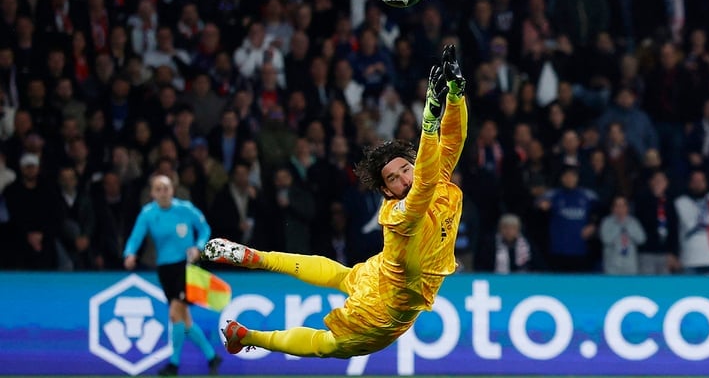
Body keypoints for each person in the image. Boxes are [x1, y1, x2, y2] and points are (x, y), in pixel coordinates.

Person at [202, 45, 468, 358]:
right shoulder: (401, 214)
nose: (404, 179)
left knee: (342, 275)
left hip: (380, 273)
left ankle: (256, 258)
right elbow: (422, 185)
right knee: (328, 345)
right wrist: (428, 121)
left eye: (405, 169)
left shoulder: (435, 180)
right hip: (387, 310)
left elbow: (453, 141)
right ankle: (253, 337)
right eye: (393, 178)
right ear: (386, 192)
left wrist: (455, 92)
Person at [123, 175, 222, 376]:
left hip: (186, 267)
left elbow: (204, 229)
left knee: (174, 313)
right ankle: (212, 357)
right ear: (152, 193)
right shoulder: (148, 213)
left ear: (172, 190)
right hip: (165, 269)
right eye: (158, 189)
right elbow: (136, 237)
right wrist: (130, 253)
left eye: (166, 188)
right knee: (184, 320)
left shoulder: (185, 209)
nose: (163, 192)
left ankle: (173, 364)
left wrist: (198, 247)